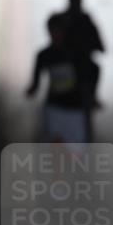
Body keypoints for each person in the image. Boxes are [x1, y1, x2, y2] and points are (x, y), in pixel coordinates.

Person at [25, 13, 90, 146]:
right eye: (53, 31)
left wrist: (91, 97)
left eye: (58, 31)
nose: (56, 34)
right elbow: (35, 82)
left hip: (75, 108)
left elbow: (90, 73)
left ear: (64, 31)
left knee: (75, 151)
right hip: (54, 108)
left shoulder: (76, 54)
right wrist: (31, 90)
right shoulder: (44, 55)